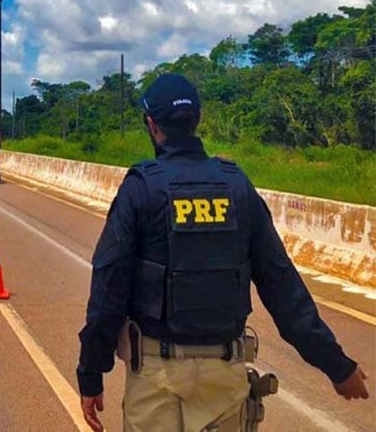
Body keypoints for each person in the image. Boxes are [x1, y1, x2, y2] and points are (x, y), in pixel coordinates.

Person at [77, 74, 369, 432]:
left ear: (152, 125)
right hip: (225, 377)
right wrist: (337, 366)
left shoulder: (142, 188)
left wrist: (91, 374)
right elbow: (282, 286)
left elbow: (108, 287)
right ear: (198, 119)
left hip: (156, 378)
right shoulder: (236, 185)